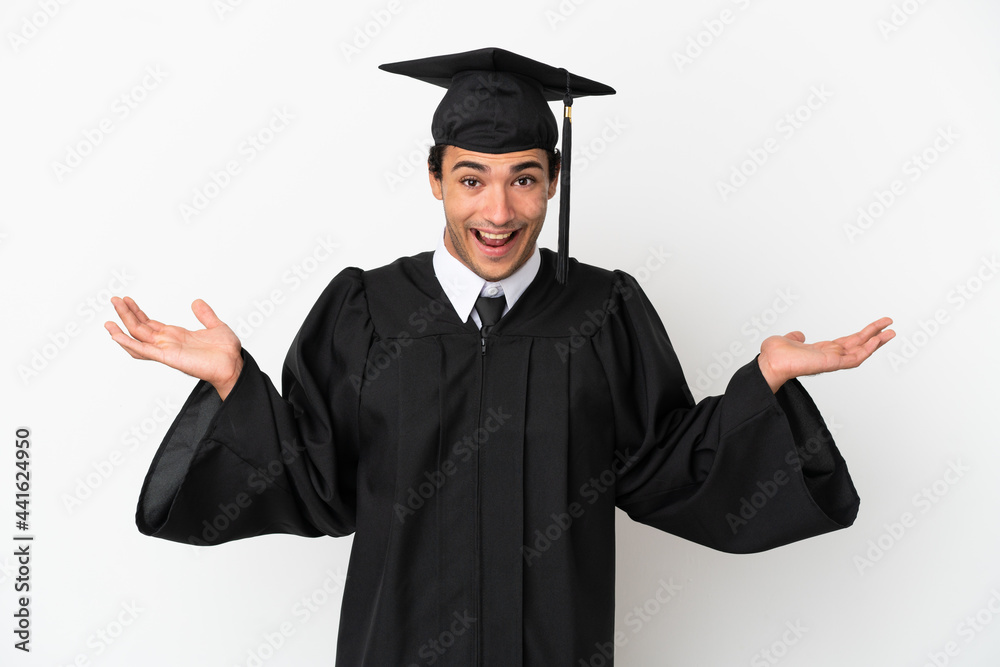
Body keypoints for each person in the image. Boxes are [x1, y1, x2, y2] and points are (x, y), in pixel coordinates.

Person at [105, 47, 894, 666]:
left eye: (524, 179)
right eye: (472, 178)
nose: (498, 209)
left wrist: (764, 385)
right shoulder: (366, 310)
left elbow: (666, 466)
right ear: (434, 179)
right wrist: (236, 386)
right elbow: (319, 482)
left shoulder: (604, 311)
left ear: (553, 180)